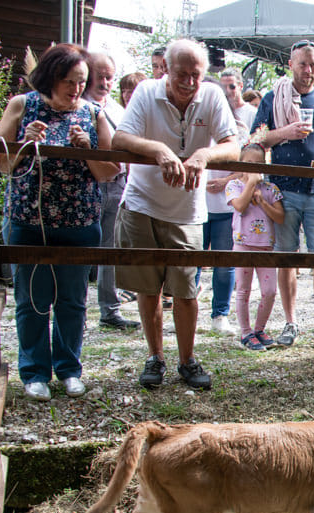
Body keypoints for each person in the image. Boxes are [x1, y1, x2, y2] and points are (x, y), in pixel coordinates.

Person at [0, 43, 121, 401]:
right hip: (28, 220)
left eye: (81, 81)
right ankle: (34, 372)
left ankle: (69, 369)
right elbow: (1, 162)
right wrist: (23, 143)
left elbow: (108, 173)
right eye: (68, 81)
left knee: (72, 301)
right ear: (50, 77)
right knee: (31, 300)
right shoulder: (23, 105)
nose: (75, 88)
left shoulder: (95, 114)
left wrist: (86, 151)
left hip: (78, 222)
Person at [112, 39, 239, 390]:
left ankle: (187, 359)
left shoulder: (212, 95)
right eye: (181, 74)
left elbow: (233, 143)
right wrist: (159, 151)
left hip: (187, 209)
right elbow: (121, 137)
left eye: (195, 75)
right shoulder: (146, 92)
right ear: (166, 70)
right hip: (142, 202)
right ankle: (155, 357)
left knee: (186, 289)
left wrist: (202, 155)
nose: (188, 82)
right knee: (148, 287)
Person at [252, 39, 314, 348]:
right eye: (303, 64)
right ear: (291, 65)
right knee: (286, 258)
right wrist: (286, 133)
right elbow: (257, 138)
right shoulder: (272, 97)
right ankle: (290, 323)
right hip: (283, 191)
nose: (308, 70)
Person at [82, 52, 141, 332]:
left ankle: (110, 309)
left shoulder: (118, 110)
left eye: (109, 77)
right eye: (99, 75)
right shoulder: (77, 107)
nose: (104, 82)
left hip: (116, 185)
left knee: (110, 249)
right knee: (81, 249)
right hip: (86, 186)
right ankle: (76, 311)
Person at [200, 66, 258, 335]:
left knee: (225, 261)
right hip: (196, 204)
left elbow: (252, 165)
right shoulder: (195, 123)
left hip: (226, 204)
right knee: (190, 261)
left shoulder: (241, 127)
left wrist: (224, 183)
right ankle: (183, 309)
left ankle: (220, 314)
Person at [225, 143, 284, 351]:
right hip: (242, 245)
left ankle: (259, 328)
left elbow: (280, 217)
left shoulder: (270, 189)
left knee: (270, 291)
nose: (253, 167)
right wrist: (251, 185)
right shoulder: (233, 186)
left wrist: (262, 203)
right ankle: (245, 332)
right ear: (241, 163)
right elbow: (239, 206)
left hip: (265, 246)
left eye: (258, 164)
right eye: (248, 163)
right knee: (243, 291)